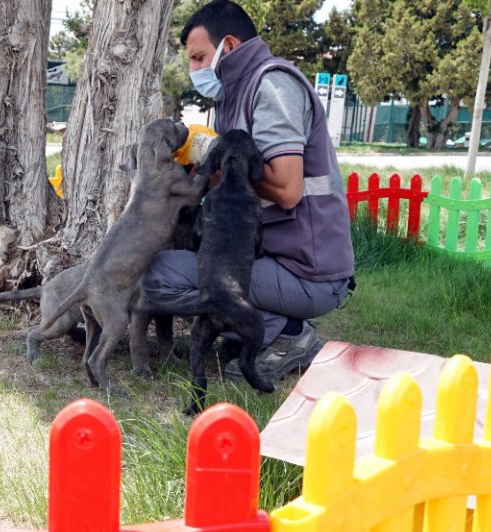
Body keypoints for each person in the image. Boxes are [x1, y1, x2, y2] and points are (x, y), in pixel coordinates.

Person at [142, 0, 355, 383]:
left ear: (231, 46)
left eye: (199, 57)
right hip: (268, 258)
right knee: (161, 270)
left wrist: (215, 152)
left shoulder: (272, 86)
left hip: (308, 272)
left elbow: (288, 190)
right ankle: (247, 327)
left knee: (158, 278)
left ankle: (288, 335)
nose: (193, 71)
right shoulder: (232, 95)